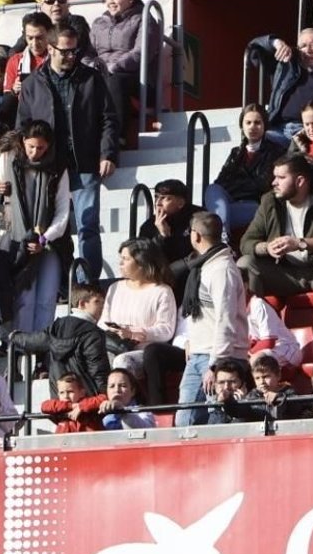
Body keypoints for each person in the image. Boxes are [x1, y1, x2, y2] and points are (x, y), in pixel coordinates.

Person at [17, 26, 121, 282]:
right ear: (50, 49)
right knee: (48, 228)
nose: (71, 56)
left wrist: (107, 153)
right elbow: (23, 126)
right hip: (48, 167)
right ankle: (57, 283)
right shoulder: (32, 83)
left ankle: (88, 285)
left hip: (84, 162)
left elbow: (108, 118)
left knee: (87, 226)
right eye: (65, 51)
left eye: (74, 50)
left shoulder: (91, 78)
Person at [237, 154, 313, 332]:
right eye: (275, 177)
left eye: (281, 177)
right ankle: (258, 332)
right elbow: (246, 242)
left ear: (300, 181)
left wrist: (301, 243)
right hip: (286, 274)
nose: (274, 182)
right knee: (245, 264)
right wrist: (267, 248)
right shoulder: (269, 201)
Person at [0, 121, 69, 331]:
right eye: (31, 146)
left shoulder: (57, 168)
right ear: (23, 141)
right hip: (16, 241)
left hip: (48, 244)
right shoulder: (7, 159)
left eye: (41, 148)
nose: (35, 153)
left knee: (46, 299)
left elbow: (62, 211)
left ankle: (42, 350)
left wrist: (45, 238)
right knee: (24, 298)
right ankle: (20, 348)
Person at [175, 211, 248, 426]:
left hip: (221, 358)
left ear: (196, 236)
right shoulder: (205, 266)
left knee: (216, 420)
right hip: (198, 353)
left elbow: (226, 319)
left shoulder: (222, 269)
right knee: (184, 422)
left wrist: (216, 365)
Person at [246, 27, 313, 136]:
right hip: (277, 128)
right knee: (255, 143)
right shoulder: (288, 61)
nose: (307, 51)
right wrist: (276, 43)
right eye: (303, 46)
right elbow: (253, 47)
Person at [91, 0, 161, 136]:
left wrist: (114, 67)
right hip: (103, 72)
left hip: (135, 78)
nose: (111, 1)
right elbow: (88, 53)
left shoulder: (144, 19)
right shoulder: (98, 23)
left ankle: (118, 137)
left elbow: (141, 52)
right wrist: (91, 66)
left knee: (115, 80)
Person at [99, 239, 178, 379]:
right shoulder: (115, 288)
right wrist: (115, 330)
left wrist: (133, 333)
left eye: (125, 259)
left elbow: (166, 330)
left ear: (141, 263)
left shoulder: (162, 291)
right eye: (120, 258)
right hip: (112, 345)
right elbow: (103, 322)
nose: (120, 263)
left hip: (142, 352)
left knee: (122, 361)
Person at [204, 104, 288, 233]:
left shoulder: (275, 152)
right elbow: (221, 182)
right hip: (231, 202)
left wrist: (235, 183)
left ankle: (221, 233)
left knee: (212, 218)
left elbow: (263, 185)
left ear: (265, 125)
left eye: (257, 123)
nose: (252, 127)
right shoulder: (236, 153)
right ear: (242, 126)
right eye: (248, 123)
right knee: (212, 189)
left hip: (255, 205)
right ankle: (223, 236)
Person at [10, 0, 98, 64]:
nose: (56, 4)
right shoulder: (35, 27)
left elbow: (76, 49)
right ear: (41, 7)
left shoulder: (77, 22)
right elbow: (13, 52)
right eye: (50, 1)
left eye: (61, 1)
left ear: (68, 5)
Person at [135, 179, 199, 283]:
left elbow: (197, 252)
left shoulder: (197, 217)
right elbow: (145, 258)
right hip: (162, 277)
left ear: (181, 203)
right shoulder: (148, 226)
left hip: (191, 274)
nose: (158, 203)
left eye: (165, 198)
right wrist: (162, 236)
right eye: (156, 197)